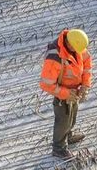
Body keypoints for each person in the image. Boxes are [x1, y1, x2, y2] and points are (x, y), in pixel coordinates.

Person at [39, 28, 93, 160]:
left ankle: (68, 135)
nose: (78, 52)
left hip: (74, 90)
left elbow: (87, 64)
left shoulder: (77, 45)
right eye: (75, 49)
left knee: (72, 114)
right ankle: (58, 148)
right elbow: (46, 84)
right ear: (69, 44)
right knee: (63, 120)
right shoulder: (55, 57)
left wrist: (85, 85)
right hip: (62, 94)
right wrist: (66, 94)